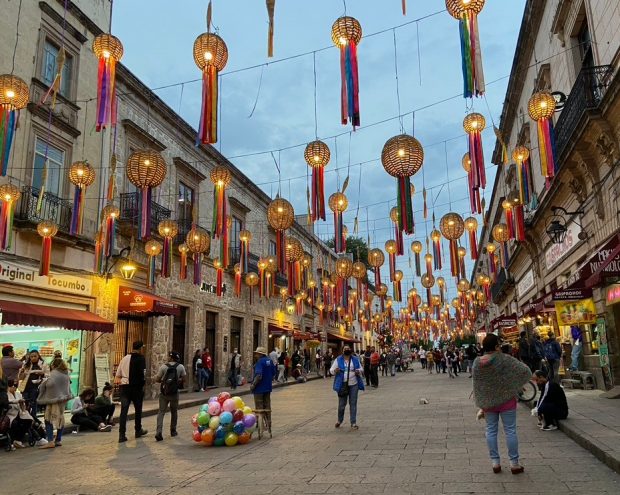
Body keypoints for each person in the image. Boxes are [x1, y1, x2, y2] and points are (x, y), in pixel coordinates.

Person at [473, 333, 531, 474]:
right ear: (497, 346)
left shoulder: (477, 362)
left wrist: (482, 400)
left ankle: (495, 463)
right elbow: (526, 371)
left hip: (488, 403)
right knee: (510, 430)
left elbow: (478, 384)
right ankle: (514, 464)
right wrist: (514, 385)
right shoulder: (504, 359)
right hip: (506, 400)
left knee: (491, 431)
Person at [37, 353, 74, 449]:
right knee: (60, 418)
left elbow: (50, 384)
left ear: (54, 365)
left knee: (48, 419)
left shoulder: (54, 374)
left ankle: (50, 441)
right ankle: (58, 439)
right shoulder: (66, 374)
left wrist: (43, 383)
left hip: (53, 399)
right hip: (62, 400)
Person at [115, 340, 148, 443]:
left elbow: (118, 374)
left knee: (123, 411)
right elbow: (143, 374)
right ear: (140, 348)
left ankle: (121, 434)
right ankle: (138, 430)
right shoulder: (141, 359)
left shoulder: (124, 358)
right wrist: (143, 385)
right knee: (138, 410)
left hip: (125, 387)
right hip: (136, 388)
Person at [331, 345, 365, 430]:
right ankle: (339, 420)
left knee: (353, 404)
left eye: (348, 349)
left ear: (350, 350)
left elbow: (361, 369)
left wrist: (358, 371)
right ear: (342, 351)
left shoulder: (355, 359)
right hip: (342, 384)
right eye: (345, 349)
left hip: (354, 384)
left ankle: (353, 422)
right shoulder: (338, 359)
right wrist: (335, 371)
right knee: (342, 405)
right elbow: (331, 370)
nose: (347, 350)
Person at [155, 350, 186, 442]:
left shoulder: (163, 367)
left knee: (161, 412)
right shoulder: (180, 367)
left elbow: (157, 379)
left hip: (164, 393)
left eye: (169, 356)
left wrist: (165, 382)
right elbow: (184, 379)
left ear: (171, 357)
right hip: (174, 393)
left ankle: (159, 431)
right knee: (174, 411)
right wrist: (176, 382)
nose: (167, 357)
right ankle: (173, 430)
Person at [18, 350, 49, 419]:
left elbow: (48, 375)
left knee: (33, 403)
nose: (33, 358)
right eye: (31, 356)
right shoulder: (26, 364)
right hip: (25, 387)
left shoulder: (43, 364)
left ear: (38, 356)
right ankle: (26, 418)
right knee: (25, 403)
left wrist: (42, 374)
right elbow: (20, 378)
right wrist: (22, 373)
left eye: (35, 356)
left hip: (37, 387)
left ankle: (33, 419)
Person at [6, 379, 36, 448]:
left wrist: (22, 404)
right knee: (15, 423)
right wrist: (17, 401)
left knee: (28, 421)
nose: (14, 387)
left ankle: (18, 440)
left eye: (15, 385)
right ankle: (14, 440)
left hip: (20, 413)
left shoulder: (18, 394)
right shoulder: (6, 395)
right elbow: (8, 401)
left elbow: (23, 407)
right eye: (11, 385)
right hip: (10, 414)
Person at [250, 347, 275, 433]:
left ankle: (260, 424)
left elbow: (259, 375)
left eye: (257, 353)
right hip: (268, 388)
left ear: (261, 354)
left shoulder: (259, 362)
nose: (256, 355)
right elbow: (273, 373)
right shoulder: (270, 361)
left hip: (259, 389)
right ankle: (269, 423)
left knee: (259, 407)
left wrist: (253, 385)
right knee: (267, 406)